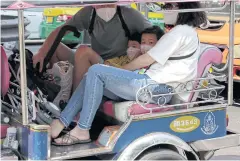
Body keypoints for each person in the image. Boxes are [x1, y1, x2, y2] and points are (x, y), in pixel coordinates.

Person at [50, 2, 207, 145]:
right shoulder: (184, 32)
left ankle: (82, 129)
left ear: (183, 8)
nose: (165, 11)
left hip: (157, 88)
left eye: (168, 6)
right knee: (89, 76)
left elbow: (146, 59)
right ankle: (62, 122)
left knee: (96, 71)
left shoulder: (180, 32)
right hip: (152, 85)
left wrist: (119, 70)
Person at [32, 4, 152, 91]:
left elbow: (156, 34)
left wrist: (142, 52)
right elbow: (60, 31)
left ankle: (75, 103)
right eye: (99, 3)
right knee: (54, 46)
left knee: (83, 51)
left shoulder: (129, 14)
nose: (103, 6)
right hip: (92, 60)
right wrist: (42, 52)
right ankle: (60, 89)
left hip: (114, 65)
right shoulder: (88, 13)